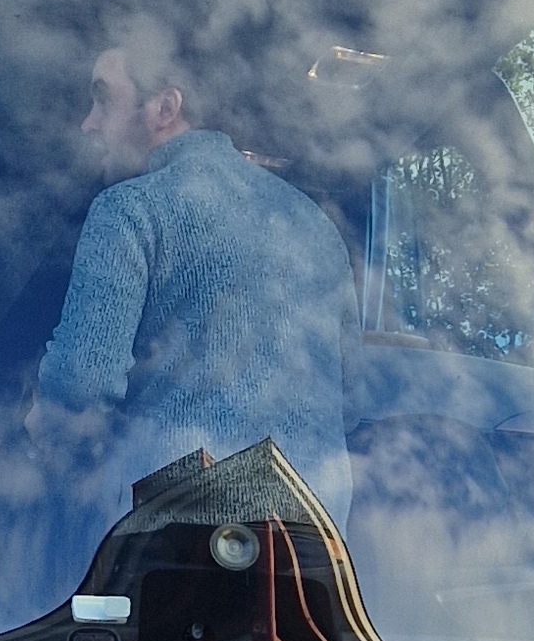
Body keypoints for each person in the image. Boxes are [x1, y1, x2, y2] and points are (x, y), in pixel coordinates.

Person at [34, 27, 353, 515]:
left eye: (102, 101)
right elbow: (352, 384)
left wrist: (39, 419)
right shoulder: (315, 223)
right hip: (317, 551)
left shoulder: (128, 209)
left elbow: (81, 383)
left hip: (180, 553)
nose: (87, 123)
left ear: (164, 109)